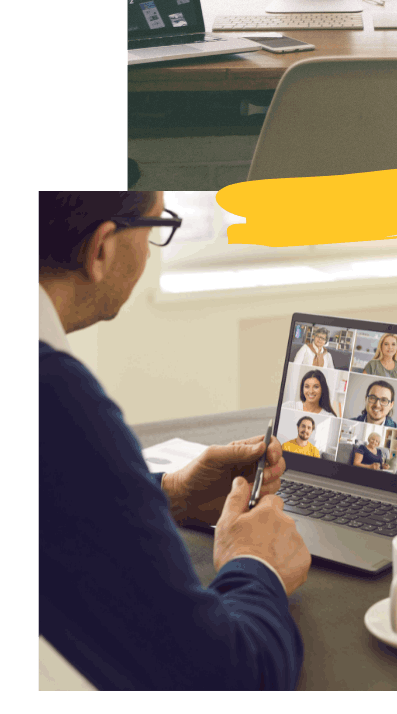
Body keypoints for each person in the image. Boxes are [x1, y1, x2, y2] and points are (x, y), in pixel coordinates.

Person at [38, 192, 309, 690]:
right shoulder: (53, 398)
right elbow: (229, 680)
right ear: (100, 248)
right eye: (155, 225)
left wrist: (171, 495)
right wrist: (258, 566)